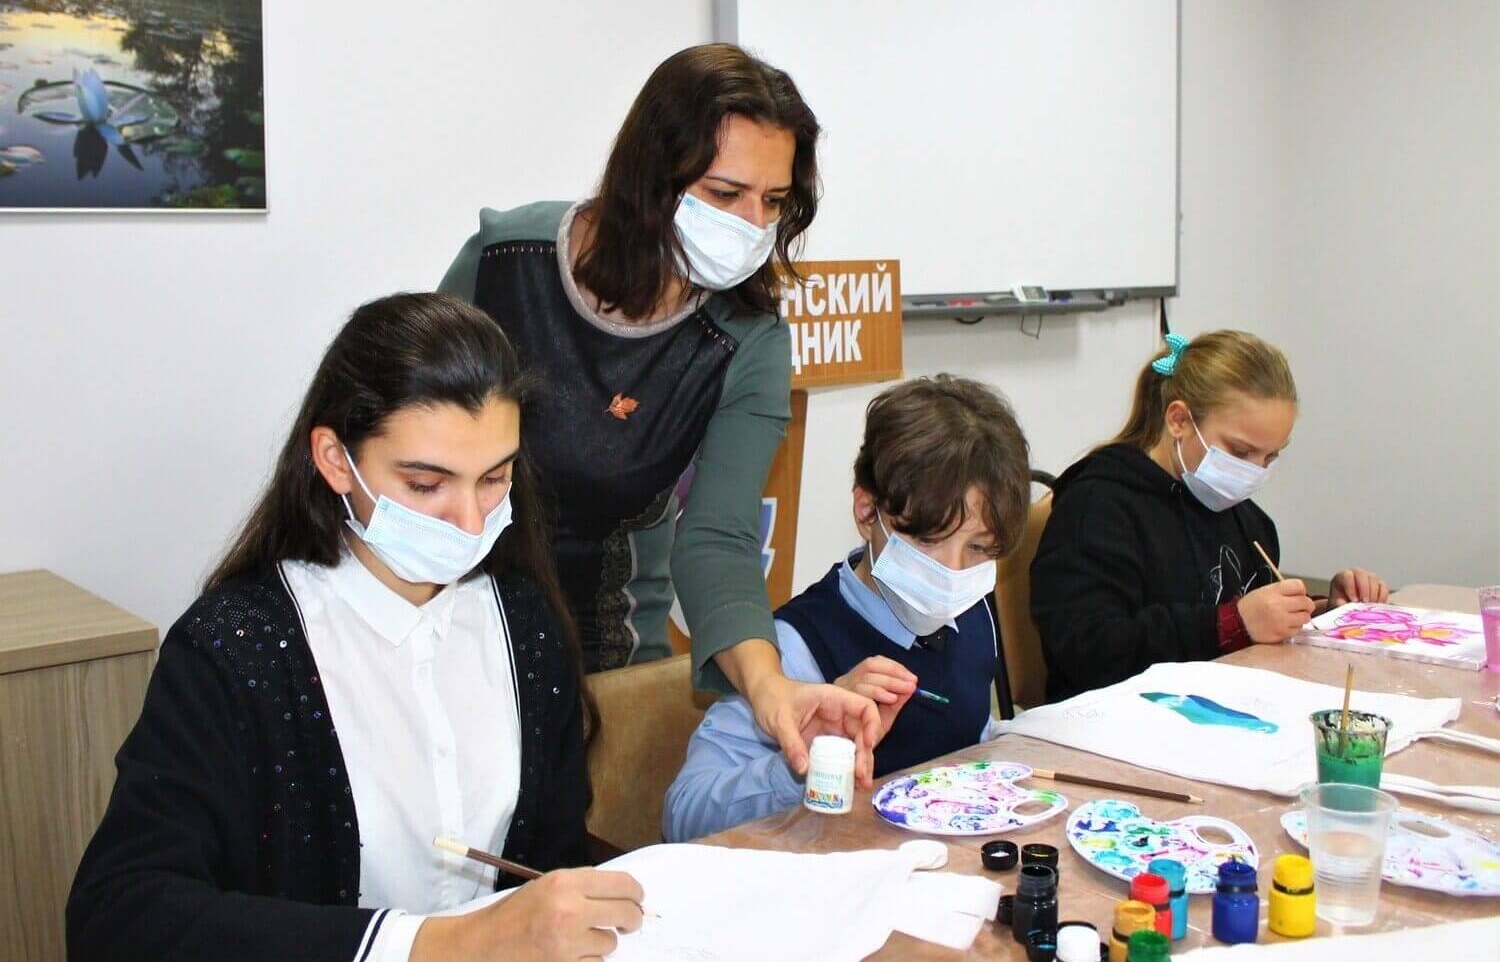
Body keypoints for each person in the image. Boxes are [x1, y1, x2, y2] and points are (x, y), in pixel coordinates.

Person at [68, 294, 645, 962]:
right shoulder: (236, 649)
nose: (469, 522)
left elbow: (553, 856)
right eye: (426, 484)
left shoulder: (525, 621)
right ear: (336, 460)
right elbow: (119, 916)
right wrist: (432, 944)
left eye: (494, 478)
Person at [439, 42, 879, 785]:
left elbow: (719, 538)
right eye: (725, 193)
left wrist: (769, 687)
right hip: (445, 629)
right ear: (651, 175)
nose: (753, 224)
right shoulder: (505, 260)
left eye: (774, 202)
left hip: (604, 661)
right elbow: (397, 444)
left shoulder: (746, 340)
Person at [663, 376, 1033, 842]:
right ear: (866, 511)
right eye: (927, 541)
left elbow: (967, 734)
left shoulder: (973, 613)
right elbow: (684, 813)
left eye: (978, 548)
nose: (952, 572)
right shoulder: (794, 649)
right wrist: (807, 759)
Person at [1030, 330, 1389, 702]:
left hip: (1223, 707)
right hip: (1114, 718)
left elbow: (1252, 622)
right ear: (1179, 420)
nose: (1254, 472)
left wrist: (1321, 611)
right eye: (1240, 452)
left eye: (1270, 456)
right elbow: (1088, 648)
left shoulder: (1248, 521)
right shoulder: (1098, 507)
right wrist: (1232, 624)